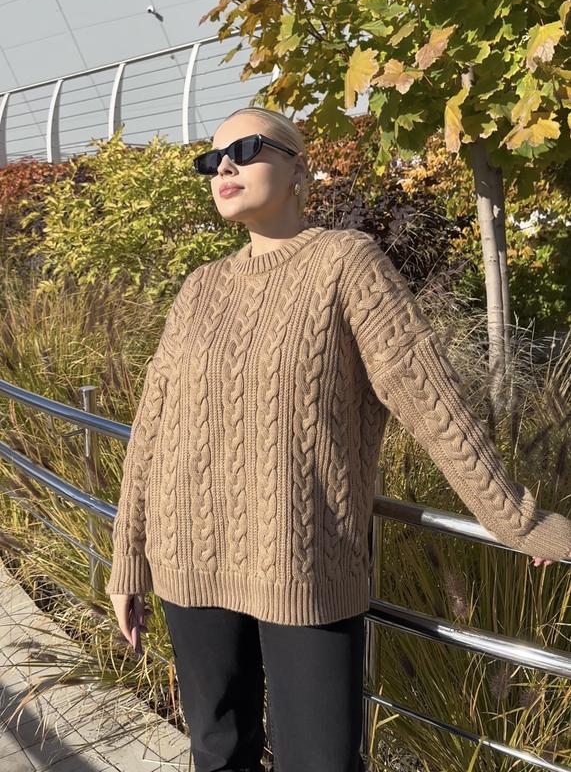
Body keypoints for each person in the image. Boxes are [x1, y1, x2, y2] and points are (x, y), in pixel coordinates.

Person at [107, 106, 571, 772]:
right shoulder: (199, 288)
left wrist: (515, 519)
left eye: (245, 148)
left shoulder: (345, 263)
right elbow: (153, 428)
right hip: (188, 558)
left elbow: (426, 395)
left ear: (298, 168)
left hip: (303, 561)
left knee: (320, 760)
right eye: (211, 159)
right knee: (217, 752)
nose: (224, 166)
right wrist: (128, 557)